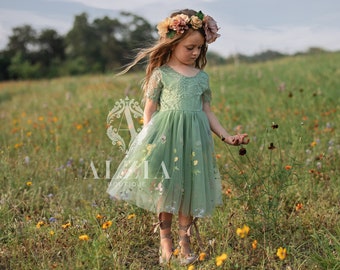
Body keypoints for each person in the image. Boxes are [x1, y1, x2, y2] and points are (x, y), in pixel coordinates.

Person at [107, 9, 249, 266]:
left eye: (199, 48)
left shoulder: (202, 78)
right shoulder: (162, 74)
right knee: (167, 186)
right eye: (190, 47)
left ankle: (185, 240)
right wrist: (147, 140)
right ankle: (165, 240)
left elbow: (207, 111)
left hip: (194, 139)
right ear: (172, 44)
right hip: (166, 137)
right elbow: (149, 110)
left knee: (188, 189)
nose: (195, 53)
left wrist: (226, 136)